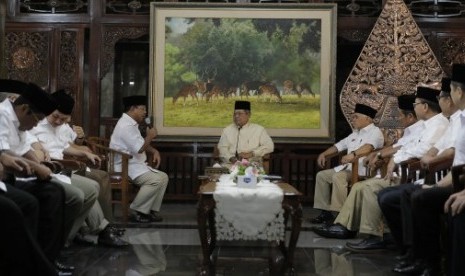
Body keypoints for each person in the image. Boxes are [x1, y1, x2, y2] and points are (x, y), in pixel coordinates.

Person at [30, 89, 127, 247]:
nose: (57, 121)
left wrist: (83, 147)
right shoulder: (34, 126)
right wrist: (42, 152)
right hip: (53, 168)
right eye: (55, 117)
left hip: (62, 167)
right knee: (92, 184)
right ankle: (100, 229)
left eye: (62, 119)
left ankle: (88, 230)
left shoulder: (59, 126)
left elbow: (66, 146)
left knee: (96, 182)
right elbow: (40, 154)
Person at [376, 86, 452, 274]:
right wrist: (398, 157)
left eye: (415, 104)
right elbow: (431, 148)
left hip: (438, 176)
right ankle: (409, 251)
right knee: (386, 196)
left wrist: (402, 158)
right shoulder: (439, 123)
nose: (413, 108)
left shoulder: (441, 123)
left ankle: (422, 256)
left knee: (411, 196)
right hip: (425, 173)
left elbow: (428, 151)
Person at [0, 80, 71, 273]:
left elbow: (24, 150)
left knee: (54, 191)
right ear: (25, 109)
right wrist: (36, 167)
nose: (34, 126)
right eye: (37, 120)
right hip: (5, 179)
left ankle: (47, 259)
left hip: (13, 178)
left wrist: (40, 165)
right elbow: (4, 154)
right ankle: (27, 265)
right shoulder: (2, 115)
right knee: (29, 202)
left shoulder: (20, 122)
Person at [310, 103, 384, 225]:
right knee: (322, 176)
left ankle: (340, 216)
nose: (352, 119)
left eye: (356, 117)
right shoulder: (355, 133)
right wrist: (323, 154)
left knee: (338, 177)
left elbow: (368, 148)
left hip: (362, 170)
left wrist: (353, 154)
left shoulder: (376, 132)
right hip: (347, 168)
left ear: (367, 119)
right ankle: (325, 213)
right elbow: (339, 146)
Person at [110, 95, 168, 223]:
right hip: (125, 166)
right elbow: (139, 148)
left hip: (134, 164)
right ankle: (136, 211)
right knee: (156, 180)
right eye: (142, 109)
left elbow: (140, 143)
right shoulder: (125, 126)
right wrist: (150, 136)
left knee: (163, 177)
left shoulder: (131, 124)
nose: (145, 112)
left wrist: (154, 150)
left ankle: (149, 211)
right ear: (132, 109)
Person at [217, 100, 274, 166]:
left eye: (240, 114)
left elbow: (269, 146)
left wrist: (251, 154)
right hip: (230, 164)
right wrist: (231, 158)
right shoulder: (227, 130)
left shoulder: (259, 129)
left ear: (248, 115)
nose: (236, 116)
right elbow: (222, 148)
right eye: (235, 114)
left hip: (252, 165)